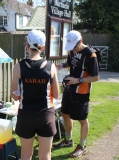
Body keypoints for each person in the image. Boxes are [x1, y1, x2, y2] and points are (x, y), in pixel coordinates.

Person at [11, 29, 60, 160]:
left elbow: (15, 96)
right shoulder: (51, 67)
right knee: (45, 155)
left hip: (26, 115)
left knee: (26, 155)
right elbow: (55, 94)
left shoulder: (18, 67)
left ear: (27, 44)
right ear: (42, 47)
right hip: (46, 115)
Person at [53, 30, 99, 158]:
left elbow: (95, 77)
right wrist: (61, 65)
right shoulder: (72, 50)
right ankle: (68, 141)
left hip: (82, 91)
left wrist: (78, 80)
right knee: (65, 114)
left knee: (82, 119)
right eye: (70, 47)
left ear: (81, 41)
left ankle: (82, 146)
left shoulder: (91, 55)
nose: (73, 49)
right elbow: (70, 63)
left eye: (74, 47)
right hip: (69, 88)